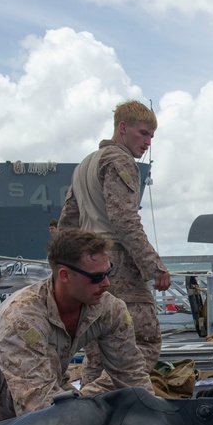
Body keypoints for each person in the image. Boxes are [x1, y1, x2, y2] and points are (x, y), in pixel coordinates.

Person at [0, 229, 153, 425]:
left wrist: (153, 418)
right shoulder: (23, 314)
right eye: (96, 277)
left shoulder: (110, 308)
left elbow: (130, 373)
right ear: (64, 275)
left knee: (116, 392)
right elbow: (34, 401)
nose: (106, 283)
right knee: (57, 410)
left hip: (48, 378)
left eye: (108, 272)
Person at [59, 100, 171, 385]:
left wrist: (69, 269)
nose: (148, 142)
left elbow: (67, 224)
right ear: (123, 127)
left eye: (151, 136)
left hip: (88, 268)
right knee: (143, 342)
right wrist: (154, 266)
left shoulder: (85, 165)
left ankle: (88, 403)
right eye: (143, 133)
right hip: (118, 266)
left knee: (98, 351)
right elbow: (124, 219)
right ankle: (103, 397)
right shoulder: (120, 161)